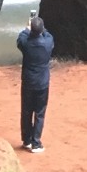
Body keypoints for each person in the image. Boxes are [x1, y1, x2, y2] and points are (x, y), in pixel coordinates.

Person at [17, 10, 55, 152]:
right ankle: (36, 142)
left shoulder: (25, 43)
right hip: (42, 82)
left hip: (28, 81)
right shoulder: (47, 42)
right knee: (39, 113)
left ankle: (26, 139)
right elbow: (48, 34)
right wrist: (39, 27)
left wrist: (27, 28)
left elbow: (21, 37)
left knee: (26, 111)